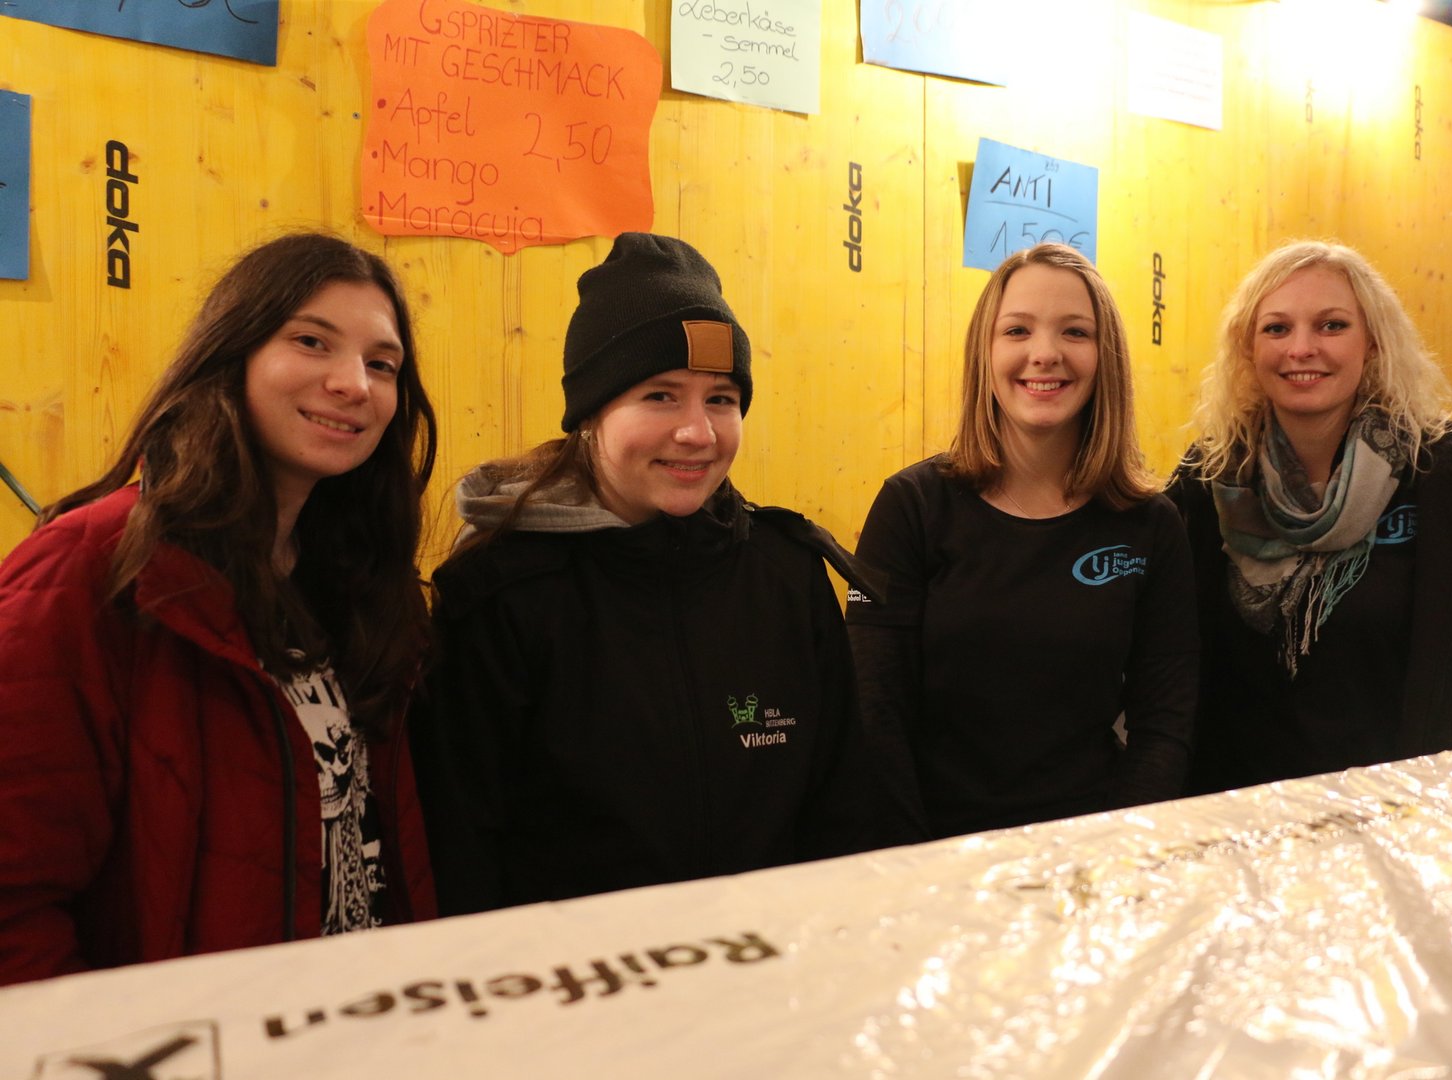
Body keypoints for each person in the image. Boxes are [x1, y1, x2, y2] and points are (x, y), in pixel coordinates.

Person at [0, 232, 439, 987]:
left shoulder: (355, 580)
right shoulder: (90, 567)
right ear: (232, 353)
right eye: (311, 341)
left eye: (382, 364)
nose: (354, 384)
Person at [412, 232, 887, 914]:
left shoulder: (787, 574)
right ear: (591, 414)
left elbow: (841, 807)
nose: (698, 432)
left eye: (721, 398)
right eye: (661, 395)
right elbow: (463, 845)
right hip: (578, 973)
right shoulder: (500, 593)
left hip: (770, 959)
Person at [1168, 240, 1452, 793]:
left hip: (1404, 810)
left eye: (1332, 325)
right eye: (1276, 328)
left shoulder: (1445, 469)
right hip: (1239, 814)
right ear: (1248, 348)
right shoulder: (1211, 475)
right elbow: (1162, 669)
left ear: (1372, 343)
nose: (1301, 348)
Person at [845, 243, 1198, 840]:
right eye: (1017, 330)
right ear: (984, 352)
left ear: (1105, 357)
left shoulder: (1151, 525)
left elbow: (1165, 723)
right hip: (936, 851)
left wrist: (1121, 850)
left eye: (1075, 332)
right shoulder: (912, 507)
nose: (1045, 353)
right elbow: (875, 712)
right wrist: (917, 865)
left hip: (1093, 851)